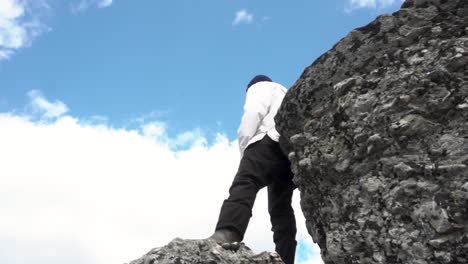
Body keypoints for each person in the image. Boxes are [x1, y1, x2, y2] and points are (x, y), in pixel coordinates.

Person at [209, 75, 297, 264]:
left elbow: (253, 112)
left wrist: (245, 149)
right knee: (280, 209)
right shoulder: (286, 92)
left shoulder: (261, 86)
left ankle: (228, 233)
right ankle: (286, 257)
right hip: (288, 150)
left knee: (245, 182)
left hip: (266, 142)